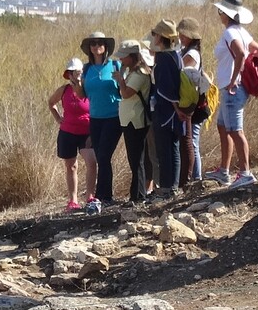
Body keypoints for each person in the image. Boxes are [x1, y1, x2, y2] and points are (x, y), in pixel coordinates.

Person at [211, 0, 257, 188]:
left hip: (232, 89)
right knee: (223, 126)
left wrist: (233, 79)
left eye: (219, 11)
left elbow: (239, 53)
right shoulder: (242, 31)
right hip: (236, 87)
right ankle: (224, 170)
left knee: (235, 130)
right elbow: (257, 51)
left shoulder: (230, 33)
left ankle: (245, 173)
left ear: (225, 13)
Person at [78, 32, 120, 212]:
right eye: (93, 44)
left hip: (114, 117)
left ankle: (104, 196)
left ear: (106, 47)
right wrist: (75, 85)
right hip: (95, 118)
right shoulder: (86, 69)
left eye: (100, 43)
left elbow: (123, 88)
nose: (96, 46)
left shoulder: (115, 65)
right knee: (100, 156)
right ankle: (102, 196)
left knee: (104, 155)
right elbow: (83, 95)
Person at [49, 57, 92, 211]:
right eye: (73, 72)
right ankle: (73, 200)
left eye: (79, 71)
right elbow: (51, 103)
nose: (76, 75)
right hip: (67, 132)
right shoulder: (64, 90)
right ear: (69, 74)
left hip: (87, 132)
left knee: (91, 161)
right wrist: (58, 118)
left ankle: (90, 196)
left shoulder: (88, 88)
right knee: (71, 166)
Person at [148, 19, 185, 198]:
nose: (153, 37)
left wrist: (176, 107)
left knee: (164, 149)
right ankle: (174, 186)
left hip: (166, 110)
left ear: (161, 37)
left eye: (155, 34)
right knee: (174, 148)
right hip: (174, 110)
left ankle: (165, 187)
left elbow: (166, 87)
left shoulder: (163, 58)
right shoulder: (176, 55)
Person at [117, 39, 154, 203]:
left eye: (123, 57)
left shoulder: (139, 74)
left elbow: (126, 93)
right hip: (130, 120)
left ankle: (139, 195)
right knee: (134, 159)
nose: (121, 60)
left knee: (137, 159)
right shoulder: (133, 72)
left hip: (136, 120)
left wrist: (120, 79)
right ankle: (136, 194)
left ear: (132, 57)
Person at [175, 17, 207, 186]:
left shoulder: (191, 54)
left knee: (191, 141)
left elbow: (182, 72)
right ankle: (195, 177)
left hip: (192, 103)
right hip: (192, 101)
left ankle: (196, 178)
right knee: (190, 140)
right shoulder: (186, 51)